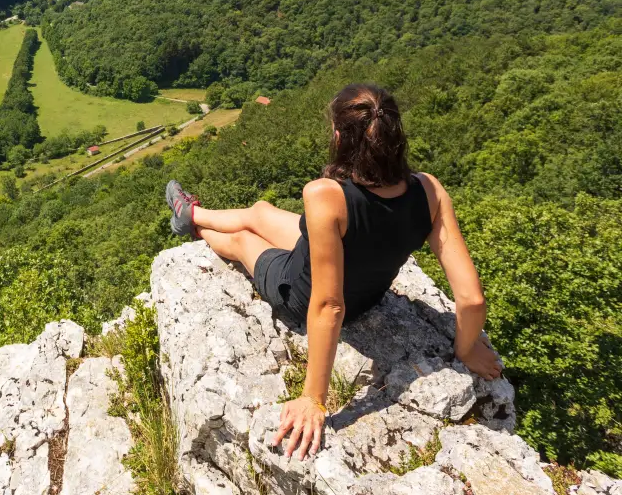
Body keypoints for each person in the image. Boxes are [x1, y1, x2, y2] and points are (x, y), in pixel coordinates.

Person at [166, 82, 501, 462]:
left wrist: (314, 398)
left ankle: (199, 230)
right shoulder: (429, 190)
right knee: (261, 211)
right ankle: (190, 213)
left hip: (301, 293)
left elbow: (328, 306)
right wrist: (465, 347)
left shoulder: (327, 196)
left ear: (340, 137)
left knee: (243, 238)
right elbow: (471, 298)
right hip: (364, 286)